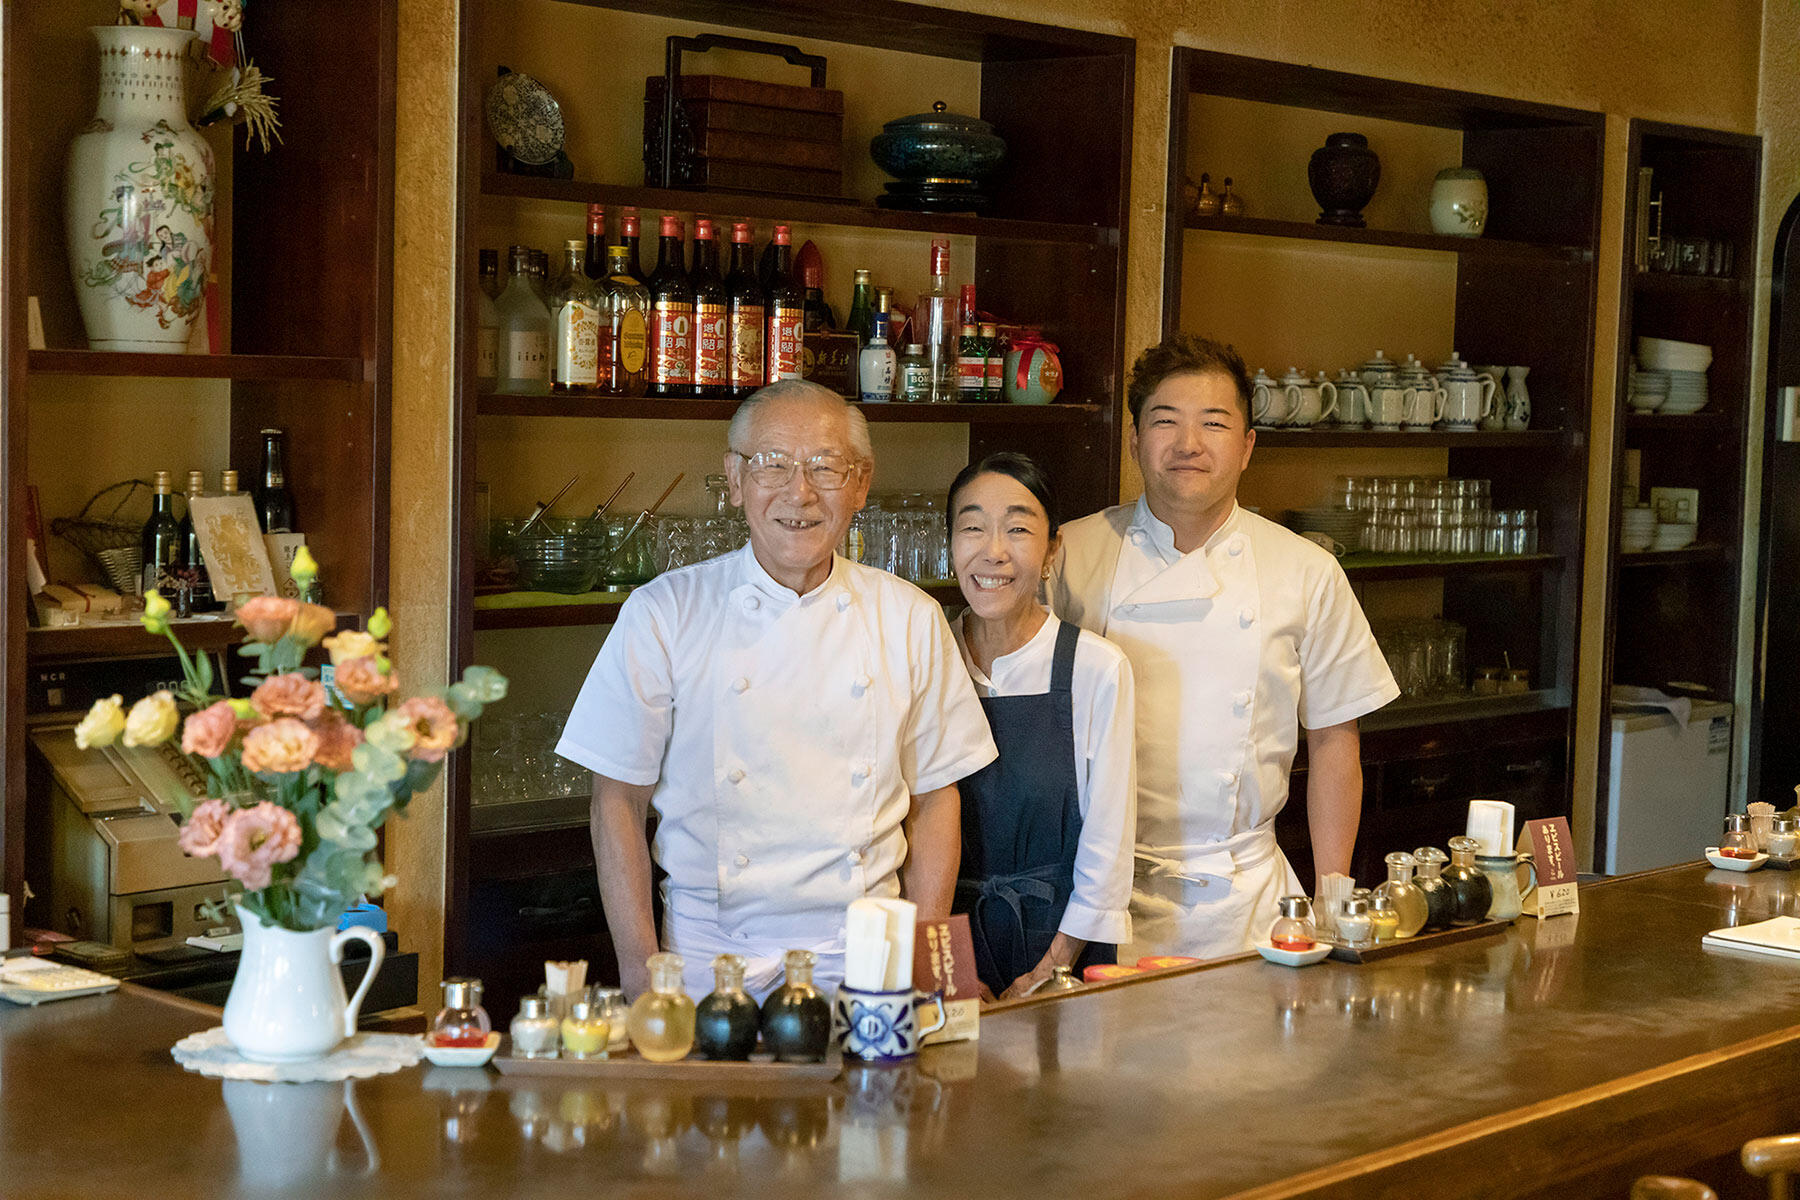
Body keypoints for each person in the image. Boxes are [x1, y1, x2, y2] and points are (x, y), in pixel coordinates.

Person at [557, 380, 998, 1000]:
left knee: (880, 1102)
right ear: (734, 481)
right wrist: (640, 974)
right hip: (708, 964)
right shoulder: (662, 612)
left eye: (825, 466)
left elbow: (935, 801)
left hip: (867, 957)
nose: (800, 492)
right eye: (772, 465)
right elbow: (617, 803)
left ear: (861, 484)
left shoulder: (910, 617)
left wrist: (922, 966)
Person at [1048, 334, 1399, 960]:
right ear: (1134, 440)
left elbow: (1334, 741)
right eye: (1165, 422)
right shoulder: (1069, 554)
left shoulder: (1306, 570)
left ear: (1247, 446)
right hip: (1100, 900)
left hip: (1250, 905)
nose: (1188, 444)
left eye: (1213, 423)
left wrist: (1332, 892)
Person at [946, 453, 1136, 999]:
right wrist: (953, 975)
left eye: (1019, 530)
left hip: (1063, 946)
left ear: (1052, 550)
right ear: (951, 544)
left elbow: (1108, 840)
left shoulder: (1096, 667)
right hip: (949, 946)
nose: (994, 551)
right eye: (973, 527)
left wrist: (1050, 970)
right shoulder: (926, 654)